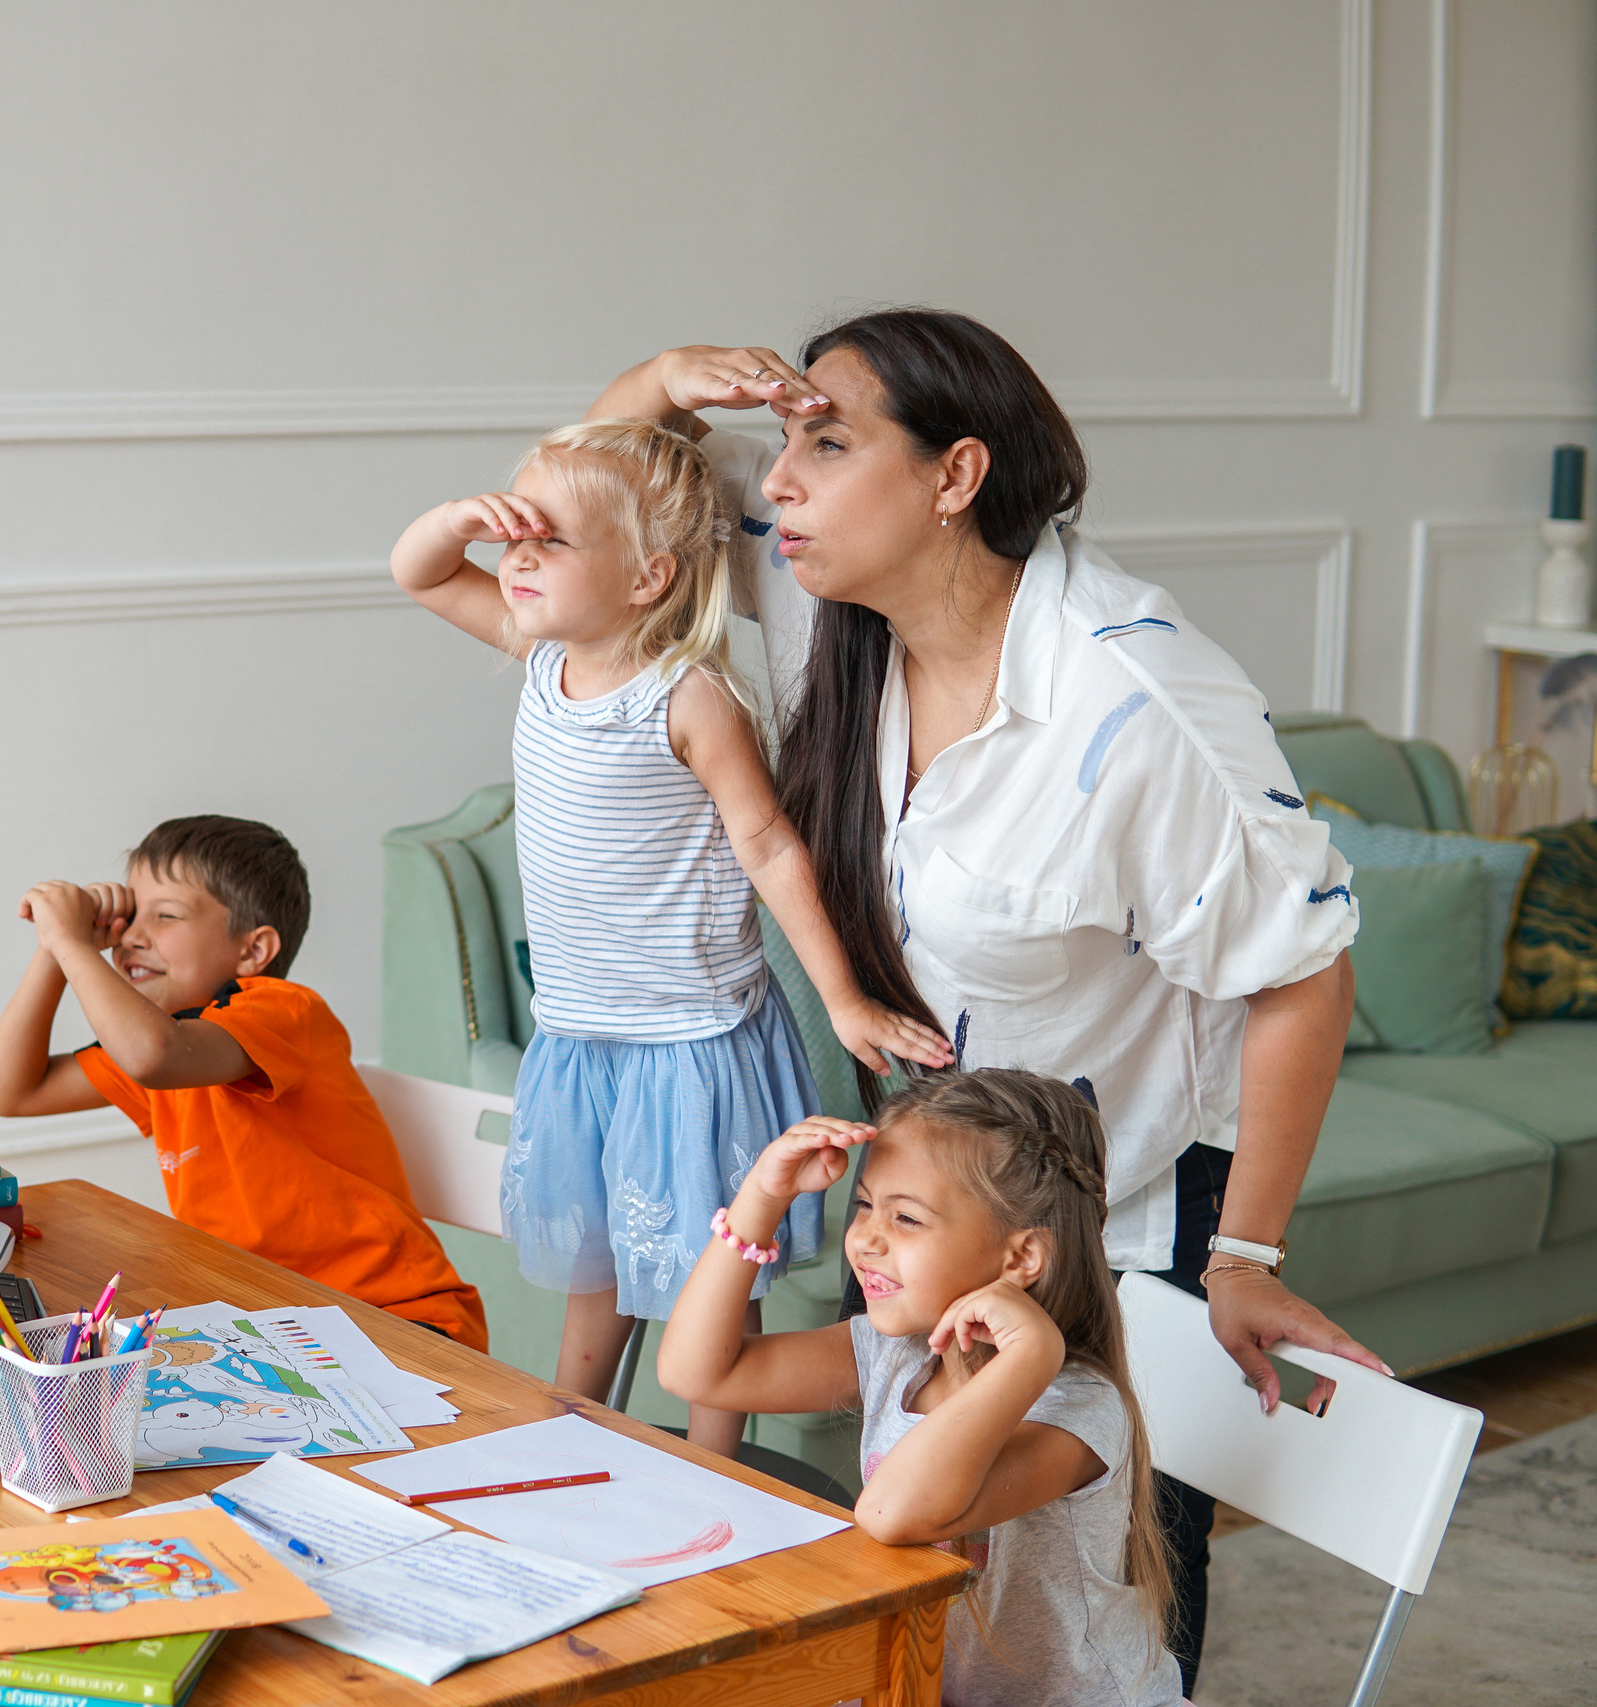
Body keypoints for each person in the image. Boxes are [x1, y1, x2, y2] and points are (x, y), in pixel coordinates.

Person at [589, 309, 1381, 1690]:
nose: (776, 481)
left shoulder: (1132, 704)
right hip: (934, 1181)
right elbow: (581, 507)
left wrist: (1243, 1255)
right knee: (924, 1572)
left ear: (954, 477)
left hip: (1111, 1220)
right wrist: (660, 384)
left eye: (826, 443)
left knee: (1105, 1601)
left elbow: (1303, 972)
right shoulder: (834, 603)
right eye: (783, 439)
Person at [389, 419, 948, 1455]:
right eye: (511, 534)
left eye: (547, 539)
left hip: (691, 1046)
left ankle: (712, 1468)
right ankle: (568, 1434)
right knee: (599, 1261)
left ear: (646, 577)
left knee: (710, 1270)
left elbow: (772, 849)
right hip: (581, 1040)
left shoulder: (689, 700)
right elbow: (418, 572)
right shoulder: (538, 652)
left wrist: (840, 999)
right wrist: (463, 520)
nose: (514, 555)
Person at [658, 1069, 1184, 1707]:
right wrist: (760, 1200)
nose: (866, 1239)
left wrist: (1030, 1355)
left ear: (1019, 1260)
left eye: (906, 1218)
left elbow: (892, 1514)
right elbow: (699, 1373)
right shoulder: (894, 1351)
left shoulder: (1076, 1411)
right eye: (864, 1205)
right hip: (924, 1684)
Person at [0, 813, 488, 1349]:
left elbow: (154, 1056)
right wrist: (53, 950)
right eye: (128, 916)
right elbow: (8, 1092)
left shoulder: (280, 1011)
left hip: (397, 1320)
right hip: (274, 1327)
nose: (131, 937)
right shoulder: (169, 1039)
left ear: (252, 951)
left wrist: (72, 943)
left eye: (166, 915)